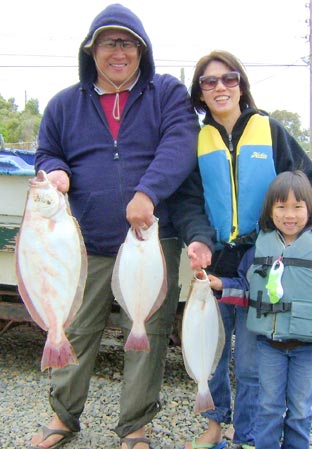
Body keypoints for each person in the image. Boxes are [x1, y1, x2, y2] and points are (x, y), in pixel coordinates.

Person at [30, 4, 216, 449]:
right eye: (108, 43)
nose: (119, 51)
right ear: (91, 51)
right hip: (86, 241)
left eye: (127, 42)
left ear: (142, 49)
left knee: (147, 330)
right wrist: (56, 171)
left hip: (153, 239)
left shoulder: (166, 93)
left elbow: (180, 142)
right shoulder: (63, 105)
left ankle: (135, 425)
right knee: (76, 327)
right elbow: (47, 152)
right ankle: (62, 415)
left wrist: (147, 191)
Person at [183, 50, 312, 449]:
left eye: (229, 79)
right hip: (213, 262)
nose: (220, 87)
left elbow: (306, 178)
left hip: (261, 261)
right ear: (199, 92)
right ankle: (213, 426)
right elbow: (188, 200)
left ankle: (246, 432)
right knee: (211, 354)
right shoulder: (194, 140)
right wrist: (198, 239)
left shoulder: (270, 130)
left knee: (254, 363)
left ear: (241, 84)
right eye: (209, 81)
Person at [209, 170, 312, 449]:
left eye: (297, 206)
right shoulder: (259, 248)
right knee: (269, 408)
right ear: (270, 210)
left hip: (308, 348)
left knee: (300, 411)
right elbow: (246, 287)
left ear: (309, 208)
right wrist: (221, 285)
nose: (290, 215)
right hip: (269, 346)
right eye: (281, 207)